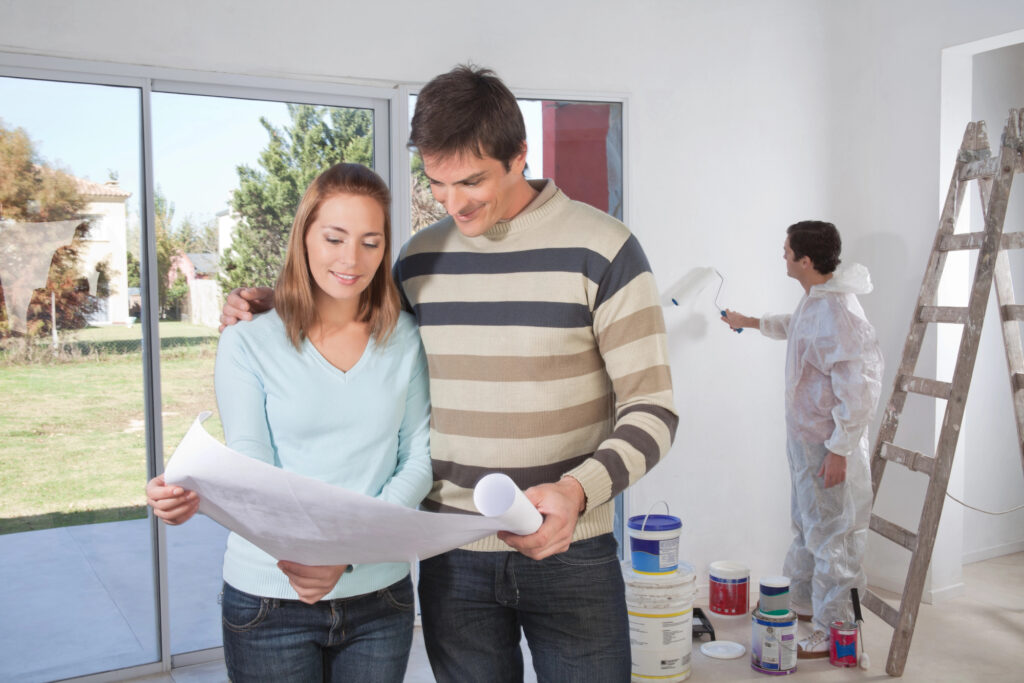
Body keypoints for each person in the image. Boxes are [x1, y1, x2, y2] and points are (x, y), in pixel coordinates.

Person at [220, 65, 678, 682]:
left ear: (520, 156)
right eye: (436, 183)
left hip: (571, 548)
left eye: (472, 181)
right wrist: (271, 304)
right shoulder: (418, 259)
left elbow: (653, 411)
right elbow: (355, 315)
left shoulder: (606, 250)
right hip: (452, 557)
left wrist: (577, 493)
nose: (453, 202)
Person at [147, 163, 432, 682]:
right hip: (268, 600)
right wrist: (190, 494)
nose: (351, 259)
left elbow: (418, 459)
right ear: (304, 236)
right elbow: (252, 460)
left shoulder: (406, 340)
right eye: (334, 238)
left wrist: (343, 554)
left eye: (371, 242)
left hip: (381, 597)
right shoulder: (247, 341)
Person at [721, 220, 882, 658]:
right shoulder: (818, 300)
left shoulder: (842, 314)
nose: (784, 256)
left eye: (788, 250)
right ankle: (806, 604)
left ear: (806, 261)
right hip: (807, 440)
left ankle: (836, 632)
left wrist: (839, 450)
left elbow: (861, 391)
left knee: (835, 538)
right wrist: (750, 322)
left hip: (828, 446)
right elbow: (798, 328)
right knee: (809, 527)